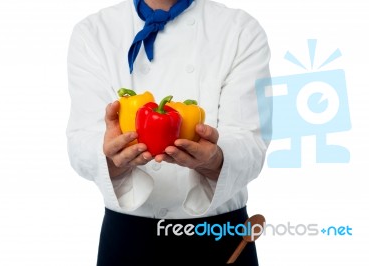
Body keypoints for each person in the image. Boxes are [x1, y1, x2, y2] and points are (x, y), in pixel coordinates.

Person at [66, 0, 271, 265]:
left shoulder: (241, 30)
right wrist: (111, 159)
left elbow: (253, 144)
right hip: (128, 240)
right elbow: (81, 142)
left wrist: (215, 161)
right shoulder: (93, 32)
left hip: (219, 239)